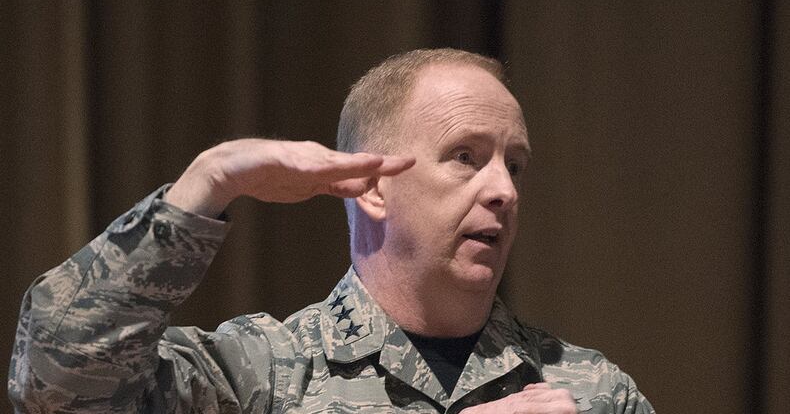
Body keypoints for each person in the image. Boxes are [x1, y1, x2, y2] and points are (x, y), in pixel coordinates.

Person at [9, 49, 655, 413]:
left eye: (513, 165)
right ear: (374, 187)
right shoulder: (264, 375)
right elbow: (54, 382)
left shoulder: (588, 391)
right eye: (466, 156)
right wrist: (206, 184)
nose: (504, 190)